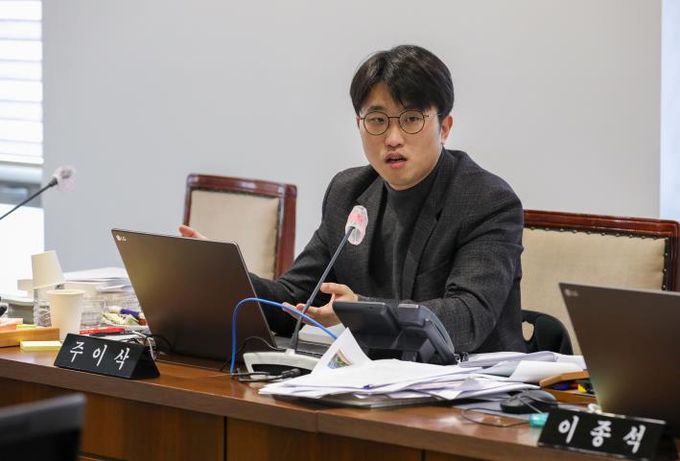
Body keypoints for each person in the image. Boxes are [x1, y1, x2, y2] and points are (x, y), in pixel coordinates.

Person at [180, 45, 525, 353]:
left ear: (444, 127)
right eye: (377, 120)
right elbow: (295, 299)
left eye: (411, 119)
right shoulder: (348, 192)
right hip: (372, 381)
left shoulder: (486, 201)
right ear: (359, 125)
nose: (392, 138)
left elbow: (467, 318)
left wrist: (360, 310)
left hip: (473, 389)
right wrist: (226, 276)